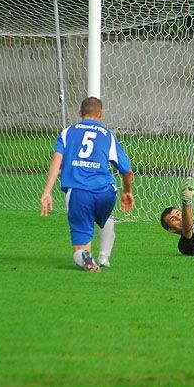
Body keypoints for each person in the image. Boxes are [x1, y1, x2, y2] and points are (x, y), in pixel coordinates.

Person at [40, 97, 134, 272]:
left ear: (80, 113)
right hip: (106, 191)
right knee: (106, 216)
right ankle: (104, 257)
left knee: (80, 248)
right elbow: (127, 171)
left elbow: (56, 160)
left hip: (79, 191)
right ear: (100, 114)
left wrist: (47, 191)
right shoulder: (108, 135)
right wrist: (127, 192)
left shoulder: (67, 133)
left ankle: (86, 258)